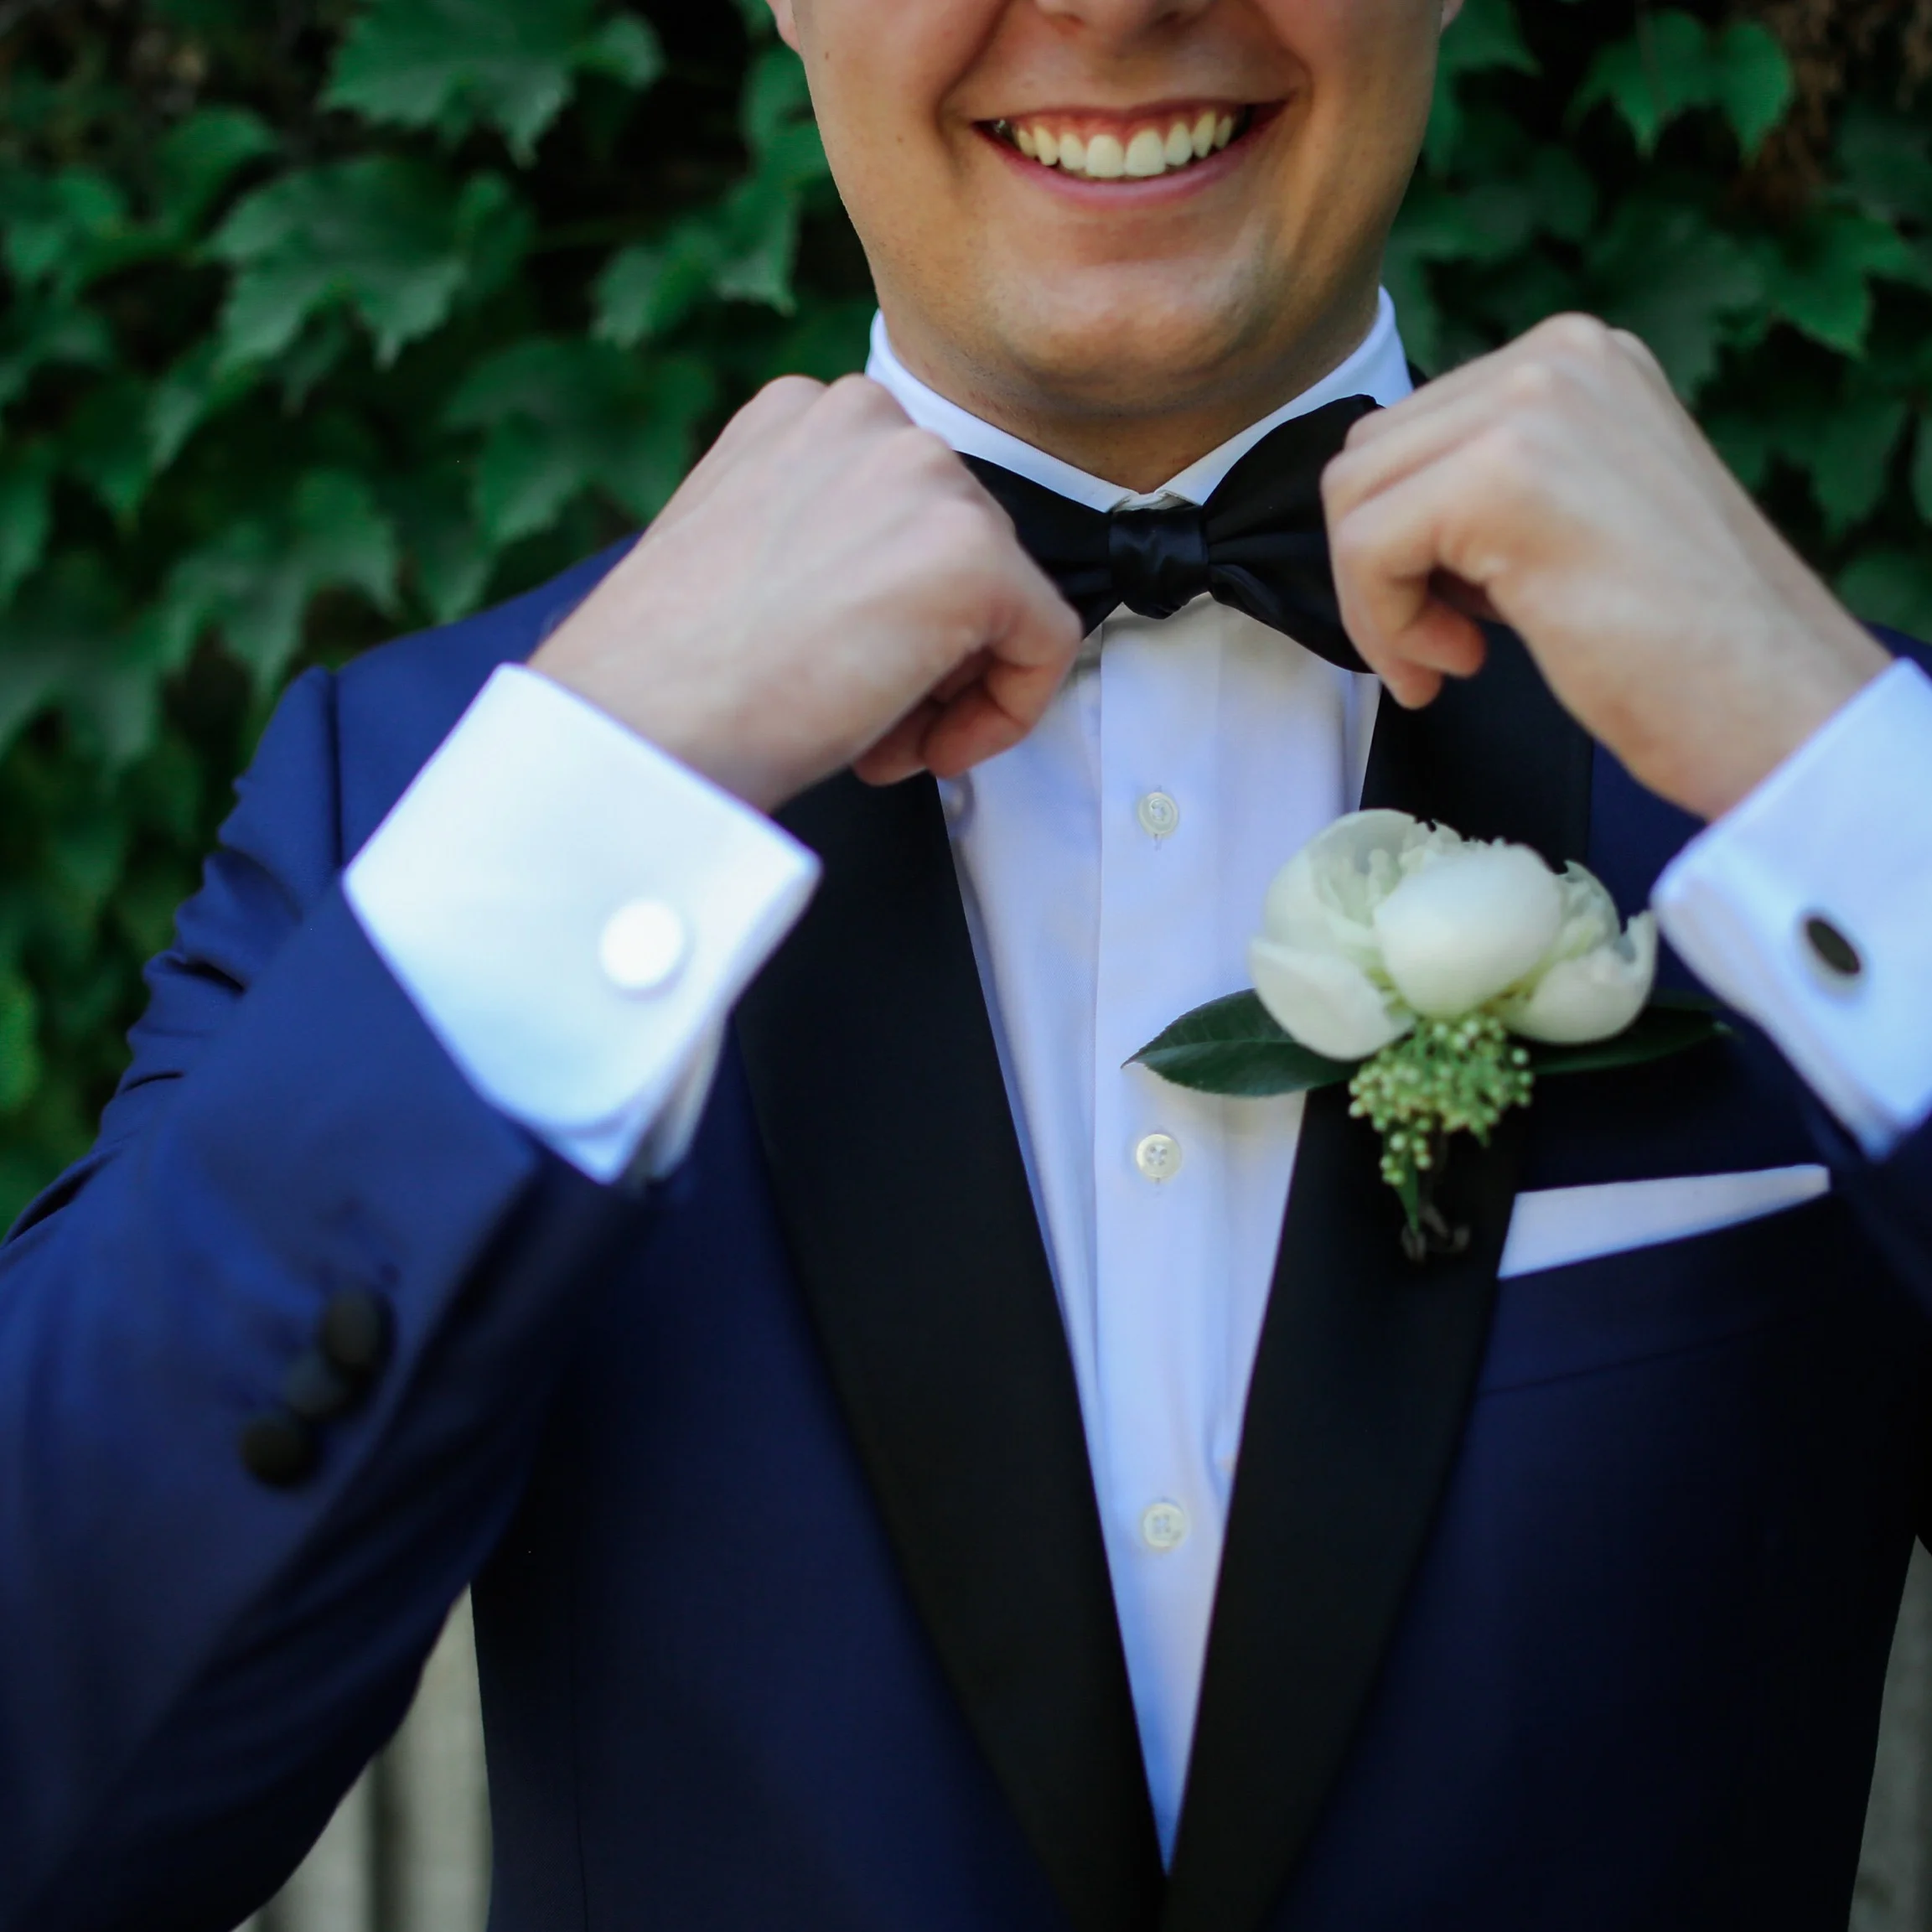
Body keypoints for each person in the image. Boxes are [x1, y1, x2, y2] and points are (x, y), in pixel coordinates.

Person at [3, 0, 1929, 1925]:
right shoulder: (427, 798)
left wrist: (1849, 791)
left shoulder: (1801, 763)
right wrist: (590, 802)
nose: (1109, 9)